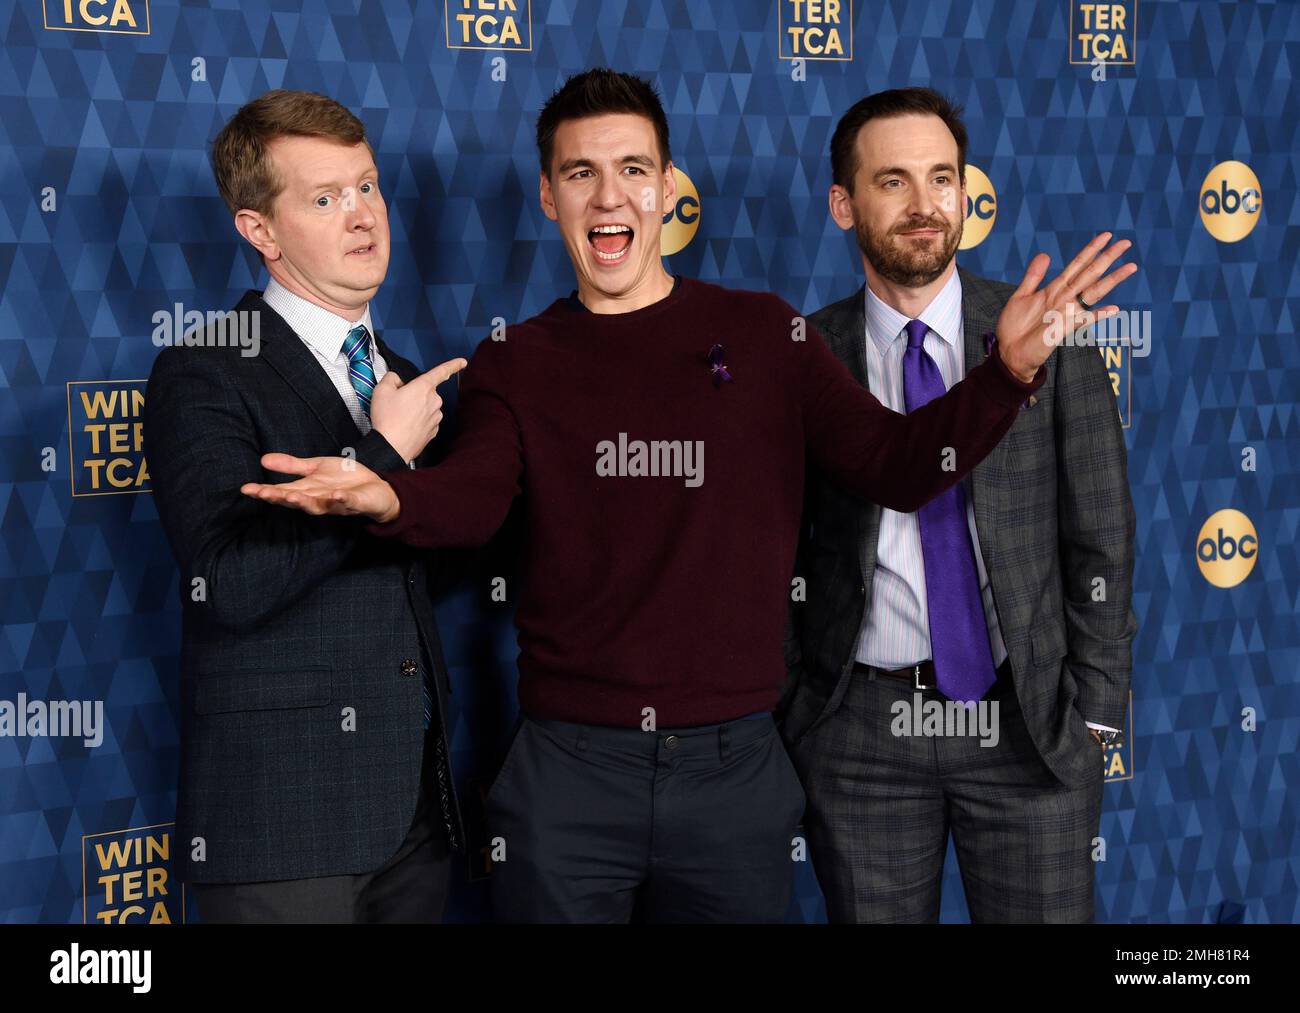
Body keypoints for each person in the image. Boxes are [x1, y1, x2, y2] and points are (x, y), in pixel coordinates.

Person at [243, 69, 1134, 923]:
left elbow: (897, 462)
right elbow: (474, 503)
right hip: (566, 774)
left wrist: (1008, 372)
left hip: (734, 774)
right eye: (580, 173)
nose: (609, 196)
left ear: (667, 187)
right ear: (550, 197)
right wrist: (392, 497)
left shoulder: (765, 334)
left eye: (633, 169)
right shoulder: (515, 359)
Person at [781, 87, 1137, 923]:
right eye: (894, 181)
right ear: (844, 203)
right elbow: (775, 551)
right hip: (859, 735)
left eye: (943, 179)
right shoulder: (804, 355)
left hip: (1030, 726)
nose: (925, 206)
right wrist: (799, 714)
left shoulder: (1048, 333)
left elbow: (1103, 537)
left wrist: (1099, 717)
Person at [145, 89, 466, 923]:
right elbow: (229, 580)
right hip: (280, 823)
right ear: (261, 230)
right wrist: (382, 456)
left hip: (416, 816)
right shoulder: (205, 367)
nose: (362, 217)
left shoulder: (405, 376)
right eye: (324, 198)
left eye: (366, 186)